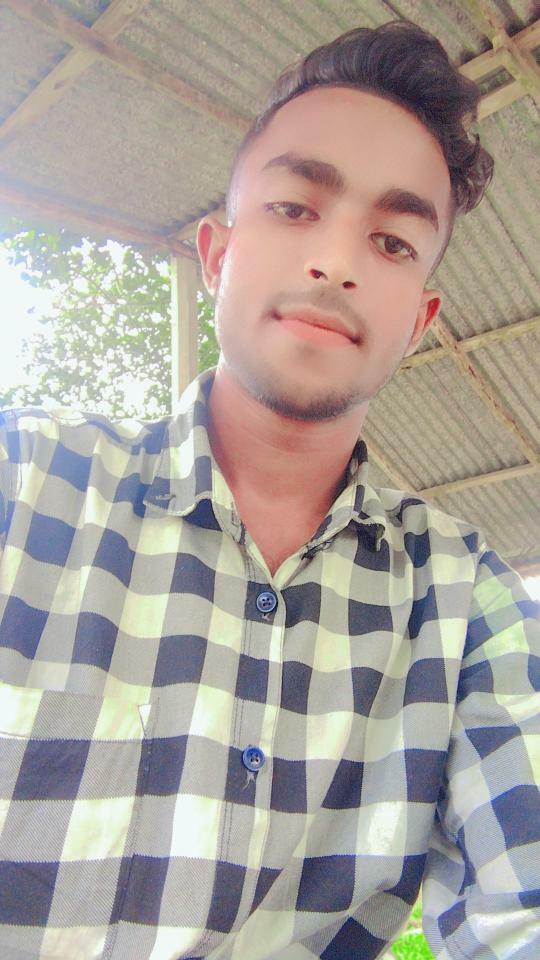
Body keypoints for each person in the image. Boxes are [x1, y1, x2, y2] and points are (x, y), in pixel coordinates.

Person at [0, 18, 538, 960]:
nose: (337, 262)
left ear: (419, 321)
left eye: (393, 242)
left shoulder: (466, 602)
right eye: (294, 208)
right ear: (215, 256)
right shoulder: (25, 481)